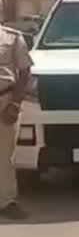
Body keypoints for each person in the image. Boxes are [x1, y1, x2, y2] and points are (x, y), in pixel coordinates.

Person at [0, 26, 33, 221]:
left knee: (4, 155)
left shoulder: (12, 37)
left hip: (4, 101)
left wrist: (15, 103)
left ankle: (6, 201)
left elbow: (25, 72)